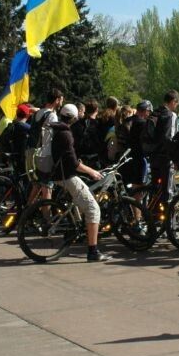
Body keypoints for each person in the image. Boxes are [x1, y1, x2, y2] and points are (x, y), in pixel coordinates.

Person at [50, 104, 109, 262]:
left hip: (58, 173)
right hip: (66, 175)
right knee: (93, 209)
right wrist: (91, 171)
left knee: (81, 201)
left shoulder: (57, 130)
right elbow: (73, 163)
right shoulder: (66, 134)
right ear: (74, 118)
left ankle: (76, 229)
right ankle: (93, 252)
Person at [29, 89, 64, 200]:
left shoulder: (38, 113)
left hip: (35, 153)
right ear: (57, 100)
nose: (62, 102)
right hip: (46, 156)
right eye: (61, 100)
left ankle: (27, 208)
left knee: (37, 185)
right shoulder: (52, 116)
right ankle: (46, 211)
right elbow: (53, 137)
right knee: (47, 189)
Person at [148, 90, 179, 202]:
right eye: (177, 104)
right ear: (173, 101)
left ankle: (152, 210)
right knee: (167, 190)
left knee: (155, 188)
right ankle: (167, 212)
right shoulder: (170, 115)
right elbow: (169, 138)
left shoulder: (154, 113)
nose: (176, 106)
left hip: (153, 156)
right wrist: (175, 159)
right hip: (165, 158)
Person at [123, 101, 153, 189]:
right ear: (146, 111)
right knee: (139, 186)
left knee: (128, 185)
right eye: (149, 112)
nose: (149, 114)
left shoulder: (126, 121)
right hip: (139, 158)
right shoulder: (143, 123)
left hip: (124, 157)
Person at [71, 99, 101, 167]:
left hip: (78, 159)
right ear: (97, 109)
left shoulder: (76, 124)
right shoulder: (99, 124)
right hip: (94, 160)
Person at [97, 97, 119, 165]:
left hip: (99, 142)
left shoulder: (100, 114)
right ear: (115, 106)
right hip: (109, 143)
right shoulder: (114, 116)